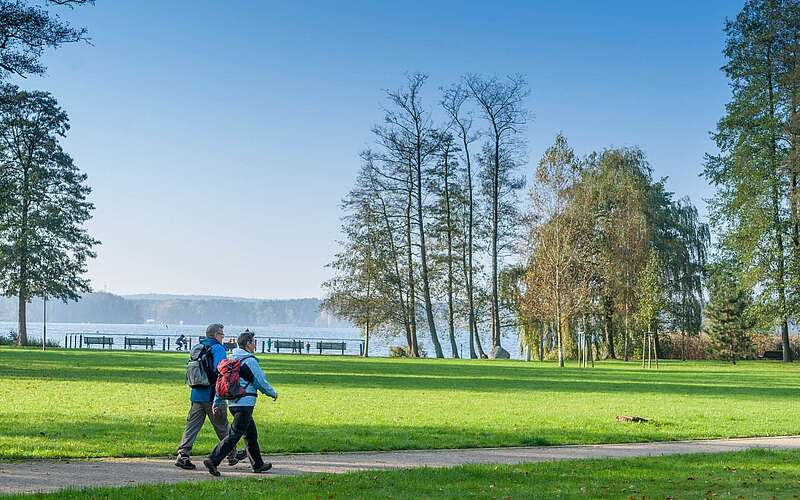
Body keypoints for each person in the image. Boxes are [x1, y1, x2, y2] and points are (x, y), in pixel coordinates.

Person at [204, 330, 278, 476]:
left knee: (250, 434)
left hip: (233, 403)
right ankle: (213, 460)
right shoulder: (249, 360)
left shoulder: (231, 360)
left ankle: (258, 464)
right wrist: (272, 393)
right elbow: (259, 381)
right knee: (235, 434)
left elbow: (222, 382)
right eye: (253, 342)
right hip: (245, 403)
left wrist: (217, 401)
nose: (255, 344)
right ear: (248, 344)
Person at [175, 324, 245, 470]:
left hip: (196, 394)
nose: (223, 337)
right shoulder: (218, 348)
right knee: (222, 426)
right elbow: (222, 371)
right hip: (212, 394)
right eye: (222, 334)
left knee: (192, 427)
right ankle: (231, 455)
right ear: (215, 335)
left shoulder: (198, 347)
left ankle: (183, 455)